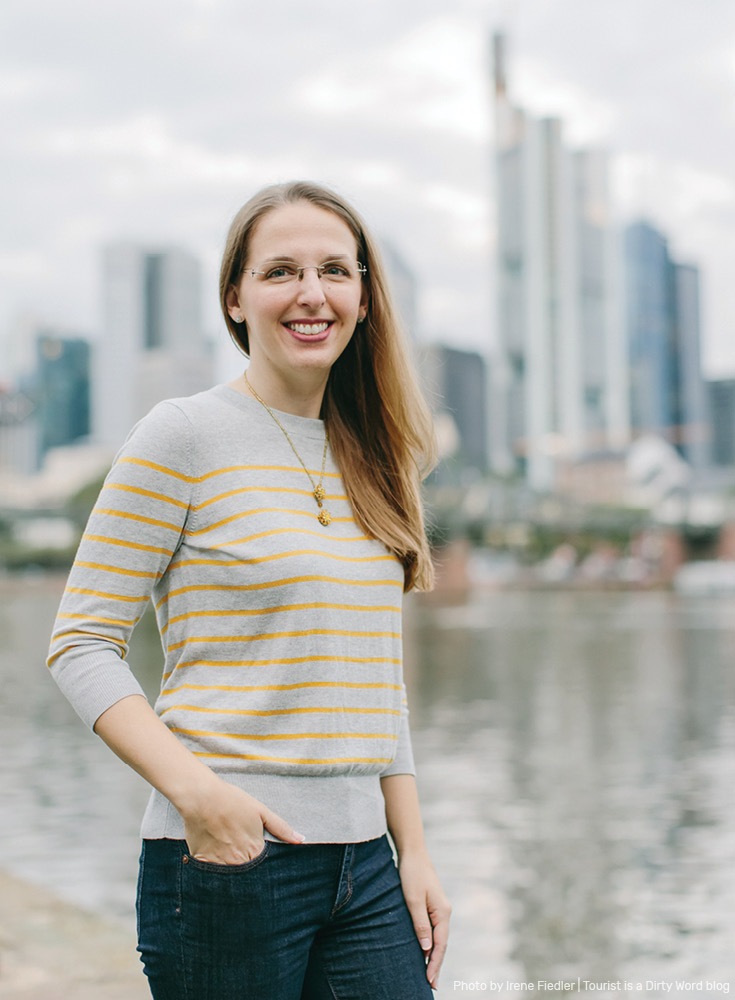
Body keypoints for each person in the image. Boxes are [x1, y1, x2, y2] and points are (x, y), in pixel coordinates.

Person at [48, 180, 450, 999]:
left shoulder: (381, 455)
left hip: (368, 871)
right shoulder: (181, 434)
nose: (312, 293)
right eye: (281, 272)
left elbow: (378, 682)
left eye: (336, 269)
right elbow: (80, 643)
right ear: (236, 296)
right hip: (230, 862)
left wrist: (414, 853)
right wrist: (201, 797)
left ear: (365, 297)